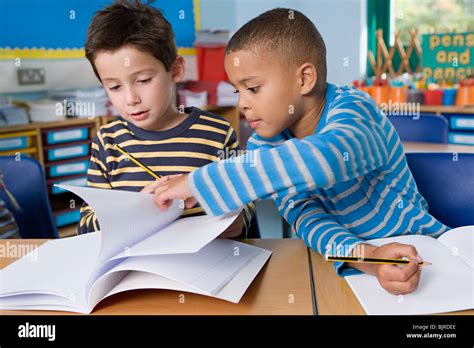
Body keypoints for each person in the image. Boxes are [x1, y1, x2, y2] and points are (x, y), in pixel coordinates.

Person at [153, 8, 449, 295]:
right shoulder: (264, 145)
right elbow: (308, 220)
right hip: (360, 267)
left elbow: (327, 159)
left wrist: (199, 182)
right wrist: (370, 259)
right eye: (236, 91)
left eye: (252, 88)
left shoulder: (355, 109)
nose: (242, 104)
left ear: (304, 79)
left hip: (425, 252)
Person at [78, 0, 254, 237]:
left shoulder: (217, 134)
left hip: (205, 264)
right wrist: (132, 209)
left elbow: (246, 207)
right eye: (114, 86)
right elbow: (87, 225)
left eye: (143, 80)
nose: (131, 99)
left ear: (176, 70)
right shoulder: (107, 142)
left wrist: (231, 219)